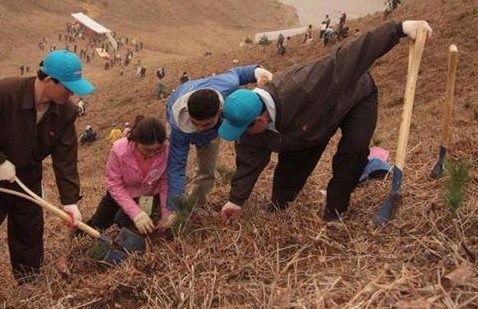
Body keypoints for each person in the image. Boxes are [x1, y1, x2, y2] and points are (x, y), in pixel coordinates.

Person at [216, 20, 432, 224]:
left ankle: (334, 211)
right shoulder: (248, 120)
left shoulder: (306, 84)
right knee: (293, 163)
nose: (244, 134)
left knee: (354, 149)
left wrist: (398, 29)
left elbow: (351, 55)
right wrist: (236, 201)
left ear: (260, 119)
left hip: (354, 96)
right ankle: (279, 206)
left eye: (245, 129)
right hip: (310, 126)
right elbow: (249, 161)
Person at [0, 49, 94, 305]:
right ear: (49, 81)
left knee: (29, 231)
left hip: (28, 175)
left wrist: (70, 201)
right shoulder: (1, 93)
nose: (72, 94)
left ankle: (29, 282)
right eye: (68, 87)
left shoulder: (66, 112)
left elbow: (65, 158)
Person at [161, 64, 273, 226]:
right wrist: (175, 209)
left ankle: (196, 205)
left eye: (205, 124)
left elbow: (239, 73)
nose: (199, 129)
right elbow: (176, 167)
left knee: (207, 170)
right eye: (196, 124)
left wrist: (259, 72)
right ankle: (179, 209)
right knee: (171, 166)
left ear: (220, 111)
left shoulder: (225, 86)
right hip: (181, 127)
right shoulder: (179, 126)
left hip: (213, 134)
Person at [83, 117, 170, 235]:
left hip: (148, 194)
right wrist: (136, 213)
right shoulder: (119, 150)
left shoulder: (166, 150)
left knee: (123, 221)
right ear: (136, 141)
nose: (152, 154)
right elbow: (114, 184)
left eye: (156, 150)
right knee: (98, 224)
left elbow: (164, 183)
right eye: (147, 150)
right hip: (120, 192)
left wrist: (166, 213)